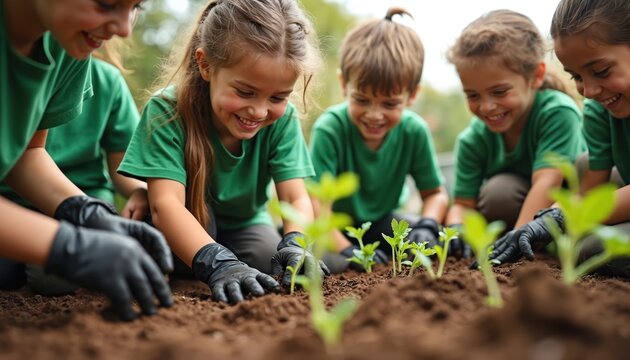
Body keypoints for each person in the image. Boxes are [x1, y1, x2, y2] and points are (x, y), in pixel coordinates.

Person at [118, 0, 327, 304]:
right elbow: (166, 205)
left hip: (246, 224)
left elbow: (295, 198)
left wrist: (296, 243)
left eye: (278, 96)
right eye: (244, 92)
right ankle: (178, 264)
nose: (258, 110)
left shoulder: (285, 121)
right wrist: (218, 263)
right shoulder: (167, 111)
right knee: (181, 235)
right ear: (205, 65)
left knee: (269, 259)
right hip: (189, 216)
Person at [0, 0, 173, 321]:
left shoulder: (66, 43)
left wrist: (85, 211)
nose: (124, 29)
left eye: (137, 7)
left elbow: (27, 154)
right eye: (106, 3)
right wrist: (70, 246)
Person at [491, 0, 630, 277]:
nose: (588, 90)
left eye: (601, 71)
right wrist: (545, 220)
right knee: (584, 166)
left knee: (596, 250)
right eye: (576, 76)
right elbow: (589, 188)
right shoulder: (600, 109)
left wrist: (563, 217)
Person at [309, 7, 449, 273]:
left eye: (390, 104)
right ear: (343, 85)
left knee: (429, 245)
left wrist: (428, 225)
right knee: (336, 264)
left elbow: (435, 194)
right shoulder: (330, 129)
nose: (374, 115)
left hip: (383, 224)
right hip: (333, 228)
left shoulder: (413, 131)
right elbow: (317, 207)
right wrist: (349, 250)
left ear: (412, 95)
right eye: (362, 100)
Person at [0, 45, 148, 295]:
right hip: (13, 197)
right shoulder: (15, 69)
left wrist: (139, 190)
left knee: (54, 280)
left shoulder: (105, 79)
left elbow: (123, 167)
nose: (123, 28)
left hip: (82, 193)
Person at [444, 9, 584, 258]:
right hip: (523, 206)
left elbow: (547, 183)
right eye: (473, 95)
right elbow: (462, 206)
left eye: (499, 92)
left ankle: (536, 245)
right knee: (499, 194)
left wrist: (518, 239)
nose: (487, 106)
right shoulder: (472, 140)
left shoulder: (557, 112)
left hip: (567, 207)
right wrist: (456, 228)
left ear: (536, 76)